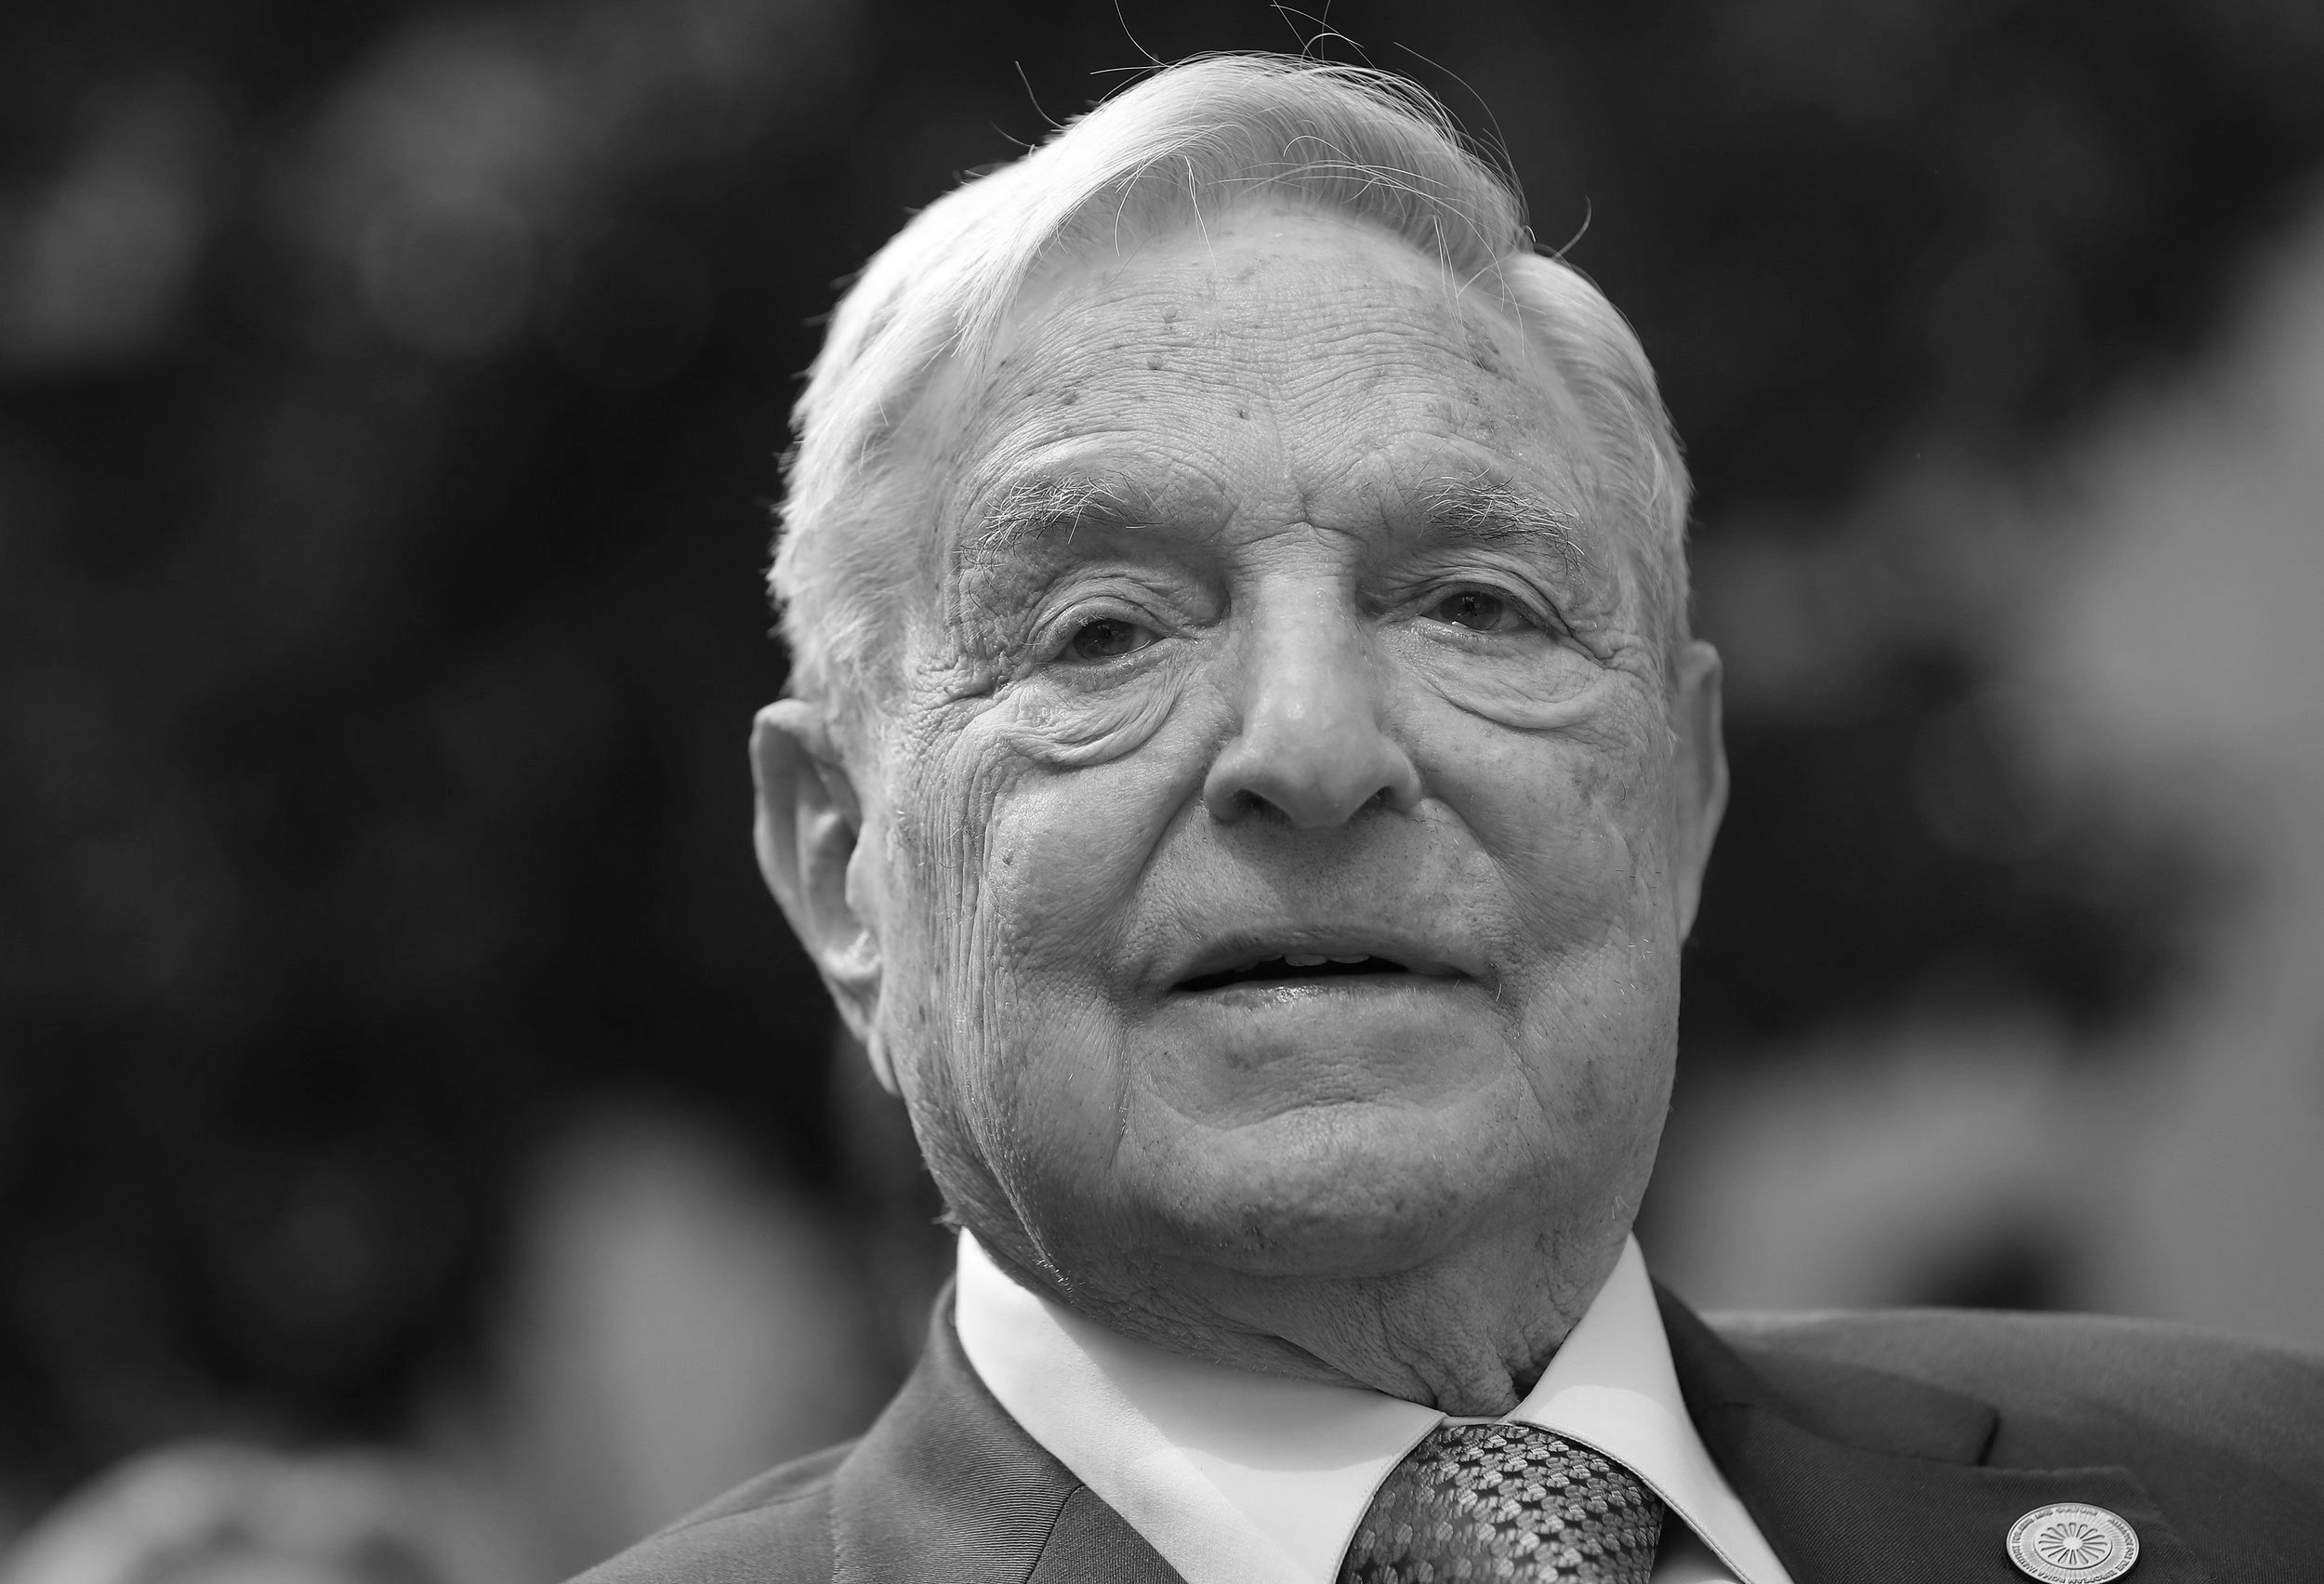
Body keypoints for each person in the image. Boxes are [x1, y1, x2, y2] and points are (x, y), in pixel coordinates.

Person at [576, 54, 2324, 1584]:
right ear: (837, 861)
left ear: (1683, 795)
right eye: (1102, 630)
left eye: (1476, 607)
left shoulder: (2270, 1497)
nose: (1316, 746)